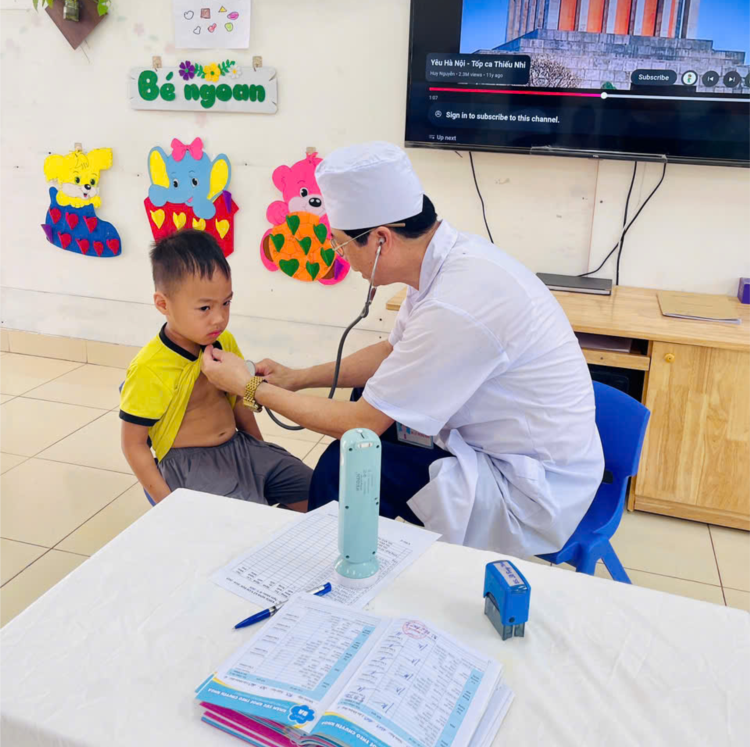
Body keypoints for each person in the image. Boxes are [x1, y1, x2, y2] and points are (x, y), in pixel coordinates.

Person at [201, 143, 603, 558]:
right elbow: (393, 352)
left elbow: (361, 424)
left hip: (528, 489)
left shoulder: (457, 304)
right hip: (509, 441)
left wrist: (249, 388)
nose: (343, 259)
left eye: (341, 245)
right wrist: (297, 378)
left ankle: (329, 573)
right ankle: (352, 546)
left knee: (345, 465)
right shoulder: (444, 260)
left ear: (380, 240)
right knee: (365, 408)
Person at [119, 230, 312, 509]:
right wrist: (167, 505)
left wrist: (260, 451)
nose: (219, 318)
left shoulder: (224, 342)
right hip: (190, 463)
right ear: (163, 304)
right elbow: (133, 444)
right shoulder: (150, 367)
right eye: (204, 308)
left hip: (240, 446)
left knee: (317, 489)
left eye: (226, 303)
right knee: (249, 519)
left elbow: (239, 401)